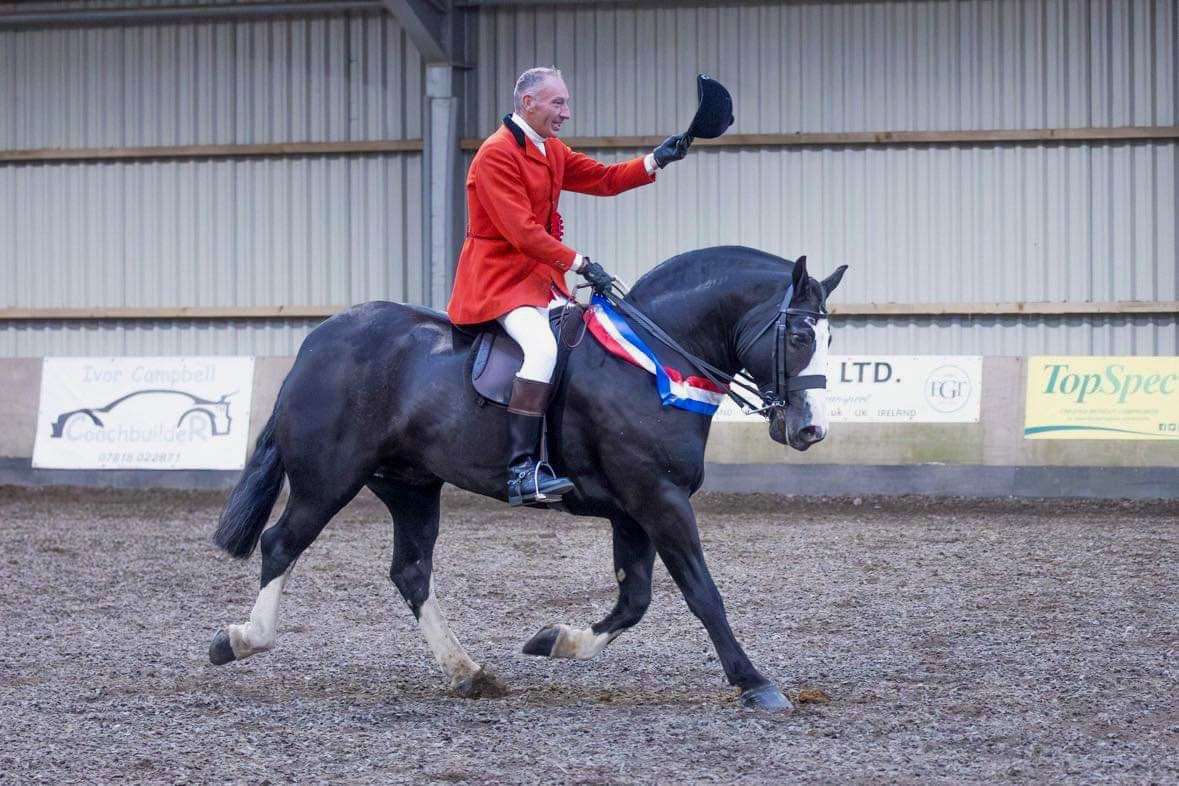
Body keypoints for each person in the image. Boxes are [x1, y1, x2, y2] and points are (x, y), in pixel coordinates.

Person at [447, 66, 692, 507]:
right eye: (558, 103)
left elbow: (602, 179)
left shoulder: (550, 149)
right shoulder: (496, 154)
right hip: (499, 282)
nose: (567, 112)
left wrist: (656, 159)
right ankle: (521, 470)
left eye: (566, 102)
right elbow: (521, 232)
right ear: (528, 104)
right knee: (542, 349)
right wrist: (581, 263)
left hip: (541, 280)